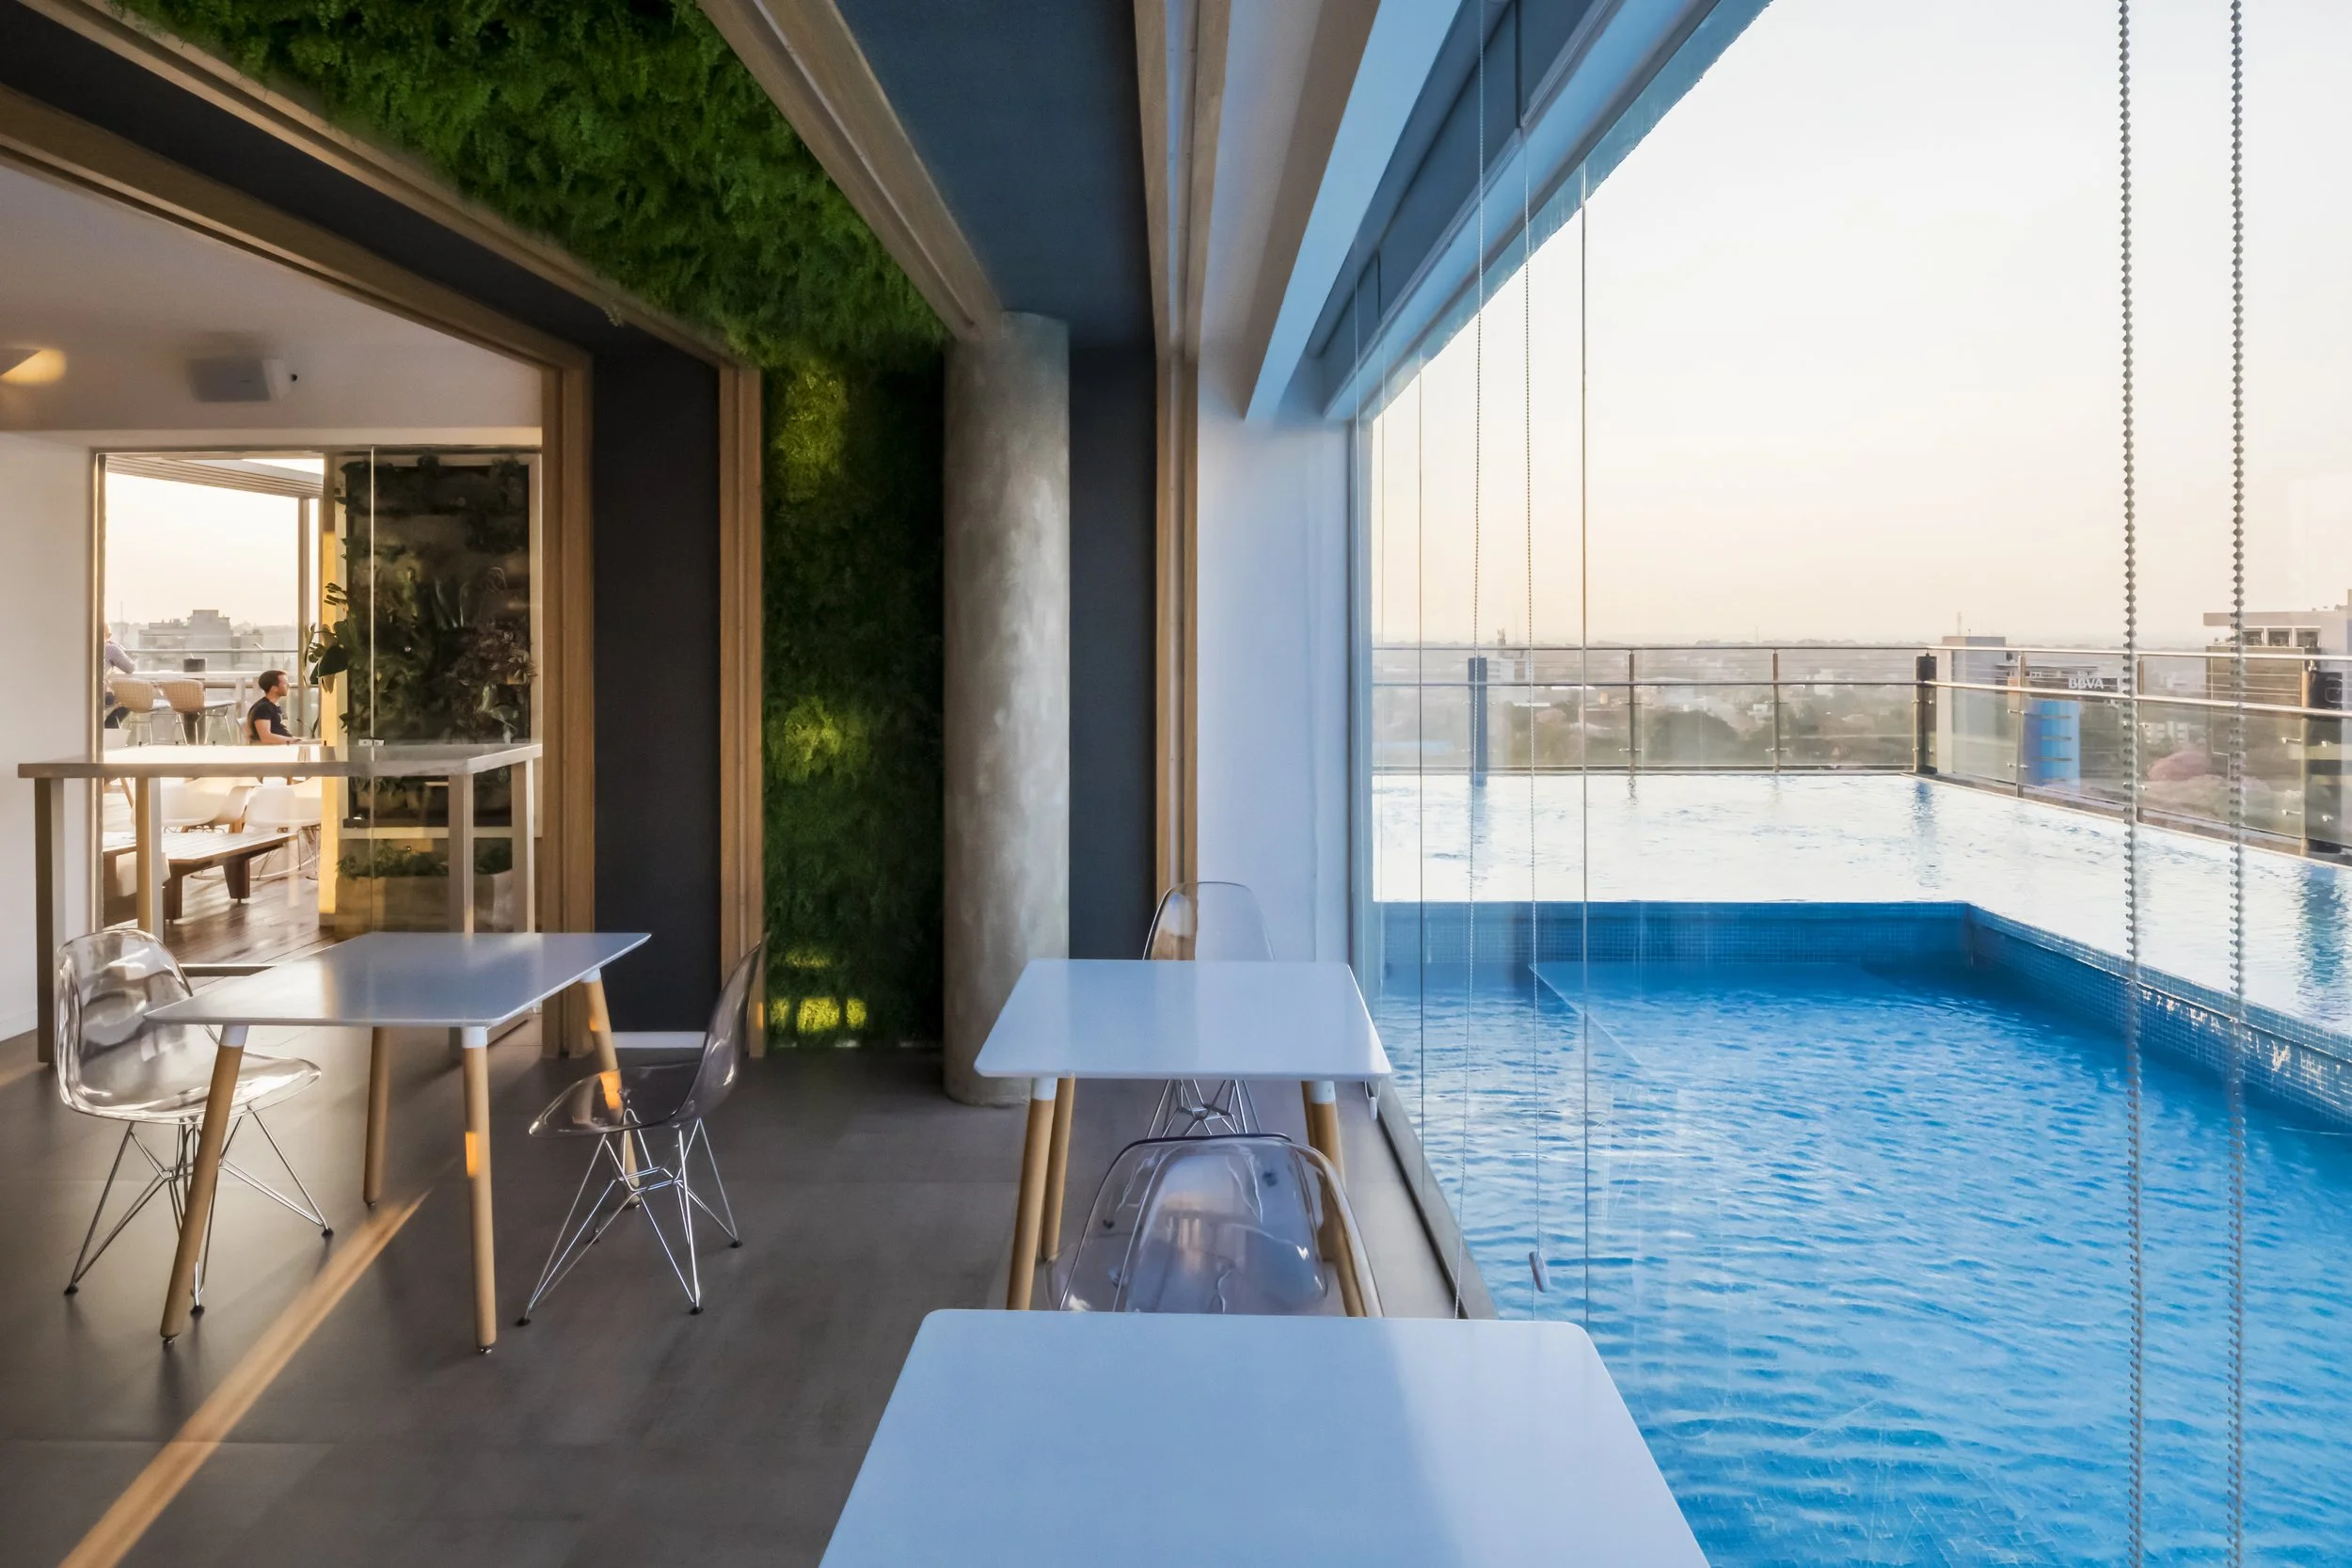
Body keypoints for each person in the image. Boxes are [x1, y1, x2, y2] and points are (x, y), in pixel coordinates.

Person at [246, 669, 297, 746]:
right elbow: (266, 737)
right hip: (275, 749)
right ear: (274, 688)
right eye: (285, 684)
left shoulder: (275, 706)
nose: (289, 686)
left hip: (285, 745)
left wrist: (297, 740)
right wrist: (295, 741)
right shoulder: (263, 708)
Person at [101, 624, 134, 728]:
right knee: (129, 700)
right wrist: (118, 647)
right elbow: (130, 668)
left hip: (80, 693)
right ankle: (108, 727)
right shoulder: (111, 649)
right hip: (101, 695)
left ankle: (106, 727)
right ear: (108, 635)